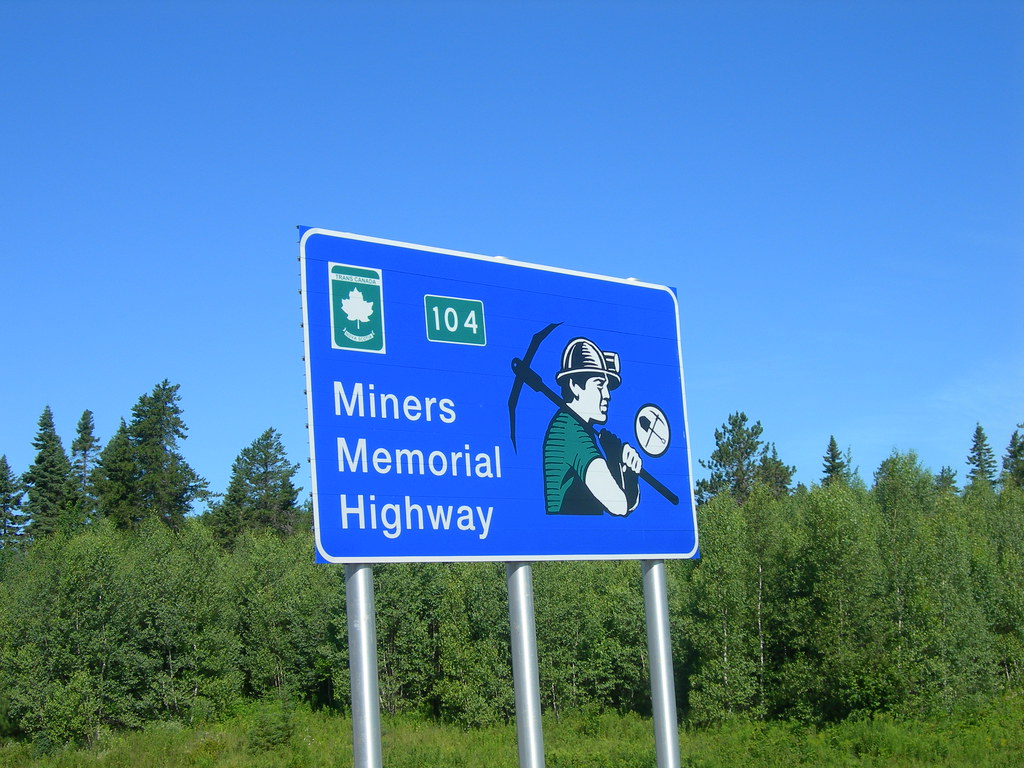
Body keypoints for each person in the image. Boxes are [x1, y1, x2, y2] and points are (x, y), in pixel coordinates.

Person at [542, 337, 642, 515]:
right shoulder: (570, 431)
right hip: (569, 536)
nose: (607, 395)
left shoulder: (577, 428)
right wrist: (619, 463)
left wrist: (625, 469)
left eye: (608, 387)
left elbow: (622, 504)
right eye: (599, 385)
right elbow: (618, 505)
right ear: (574, 386)